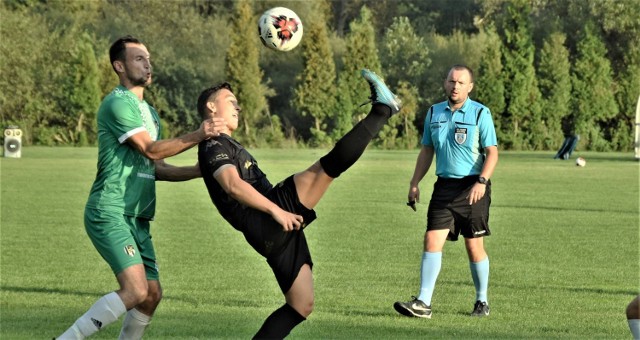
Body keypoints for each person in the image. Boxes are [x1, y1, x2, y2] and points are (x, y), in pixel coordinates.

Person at [197, 69, 401, 339]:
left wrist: (160, 171)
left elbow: (204, 172)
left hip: (266, 229)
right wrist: (276, 210)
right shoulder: (213, 144)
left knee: (300, 305)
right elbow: (233, 186)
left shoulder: (220, 146)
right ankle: (382, 110)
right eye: (229, 99)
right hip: (266, 216)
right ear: (211, 107)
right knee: (327, 168)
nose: (237, 105)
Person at [57, 35, 225, 339]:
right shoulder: (116, 104)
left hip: (137, 216)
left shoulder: (150, 113)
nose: (147, 64)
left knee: (151, 294)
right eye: (138, 58)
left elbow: (155, 167)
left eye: (148, 58)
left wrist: (200, 171)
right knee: (135, 289)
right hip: (111, 209)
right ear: (119, 66)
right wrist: (199, 134)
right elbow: (150, 149)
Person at [394, 64, 498, 319]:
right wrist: (415, 182)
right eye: (452, 81)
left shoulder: (480, 113)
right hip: (444, 187)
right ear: (445, 83)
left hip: (473, 186)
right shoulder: (434, 112)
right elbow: (427, 150)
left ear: (470, 87)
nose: (455, 86)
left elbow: (492, 152)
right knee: (431, 240)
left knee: (473, 247)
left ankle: (482, 301)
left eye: (461, 83)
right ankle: (423, 303)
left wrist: (481, 182)